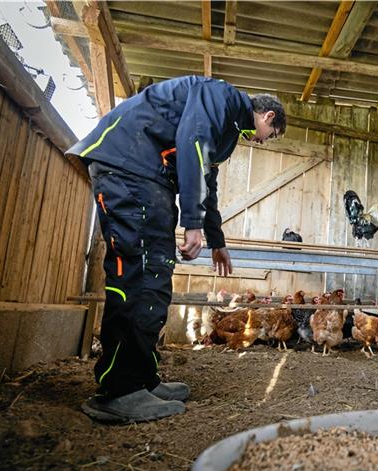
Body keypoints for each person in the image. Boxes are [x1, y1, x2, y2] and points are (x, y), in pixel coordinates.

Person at [67, 76, 286, 422]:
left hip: (145, 175)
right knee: (139, 277)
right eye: (269, 136)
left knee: (154, 276)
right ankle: (119, 390)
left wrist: (217, 241)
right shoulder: (223, 98)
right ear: (269, 117)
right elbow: (192, 142)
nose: (262, 141)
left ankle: (140, 379)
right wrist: (193, 222)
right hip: (129, 166)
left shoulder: (227, 126)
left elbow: (206, 179)